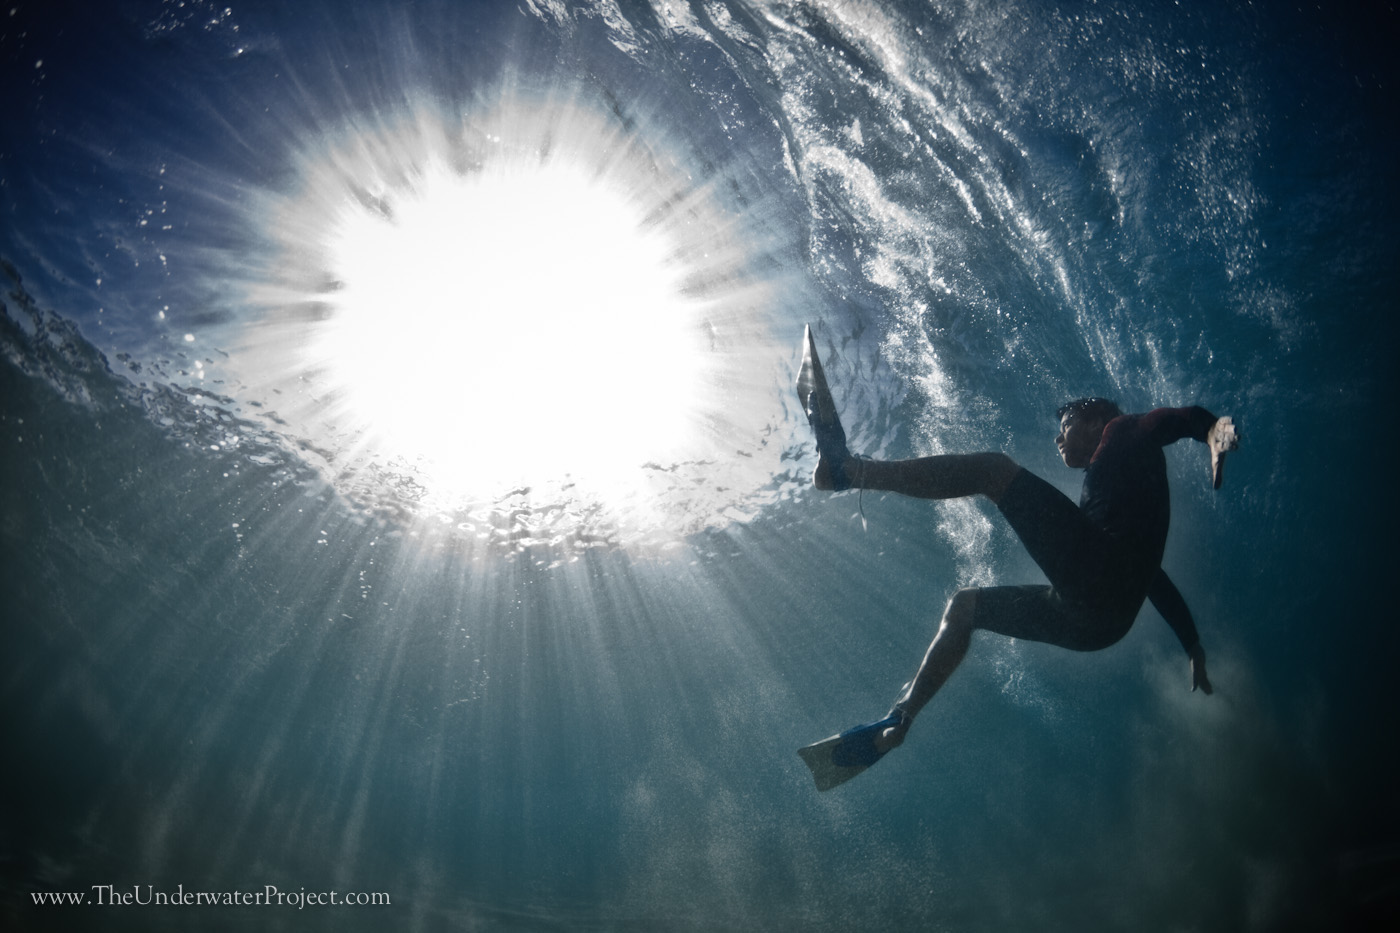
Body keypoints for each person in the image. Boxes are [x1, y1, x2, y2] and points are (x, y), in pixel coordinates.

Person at [800, 379, 1240, 785]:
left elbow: (1169, 420)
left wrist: (1210, 429)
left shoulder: (1121, 430)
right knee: (966, 606)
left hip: (1097, 587)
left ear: (1094, 421)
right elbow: (1150, 579)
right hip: (1102, 624)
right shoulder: (1115, 492)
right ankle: (898, 721)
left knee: (994, 470)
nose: (1057, 437)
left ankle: (848, 471)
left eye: (1065, 425)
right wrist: (1192, 643)